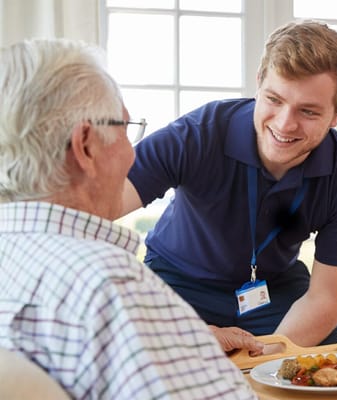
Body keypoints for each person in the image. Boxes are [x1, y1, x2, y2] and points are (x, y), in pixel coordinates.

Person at [0, 38, 259, 399]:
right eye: (125, 128)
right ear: (86, 145)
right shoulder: (107, 283)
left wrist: (174, 340)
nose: (133, 156)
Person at [122, 20, 337, 350]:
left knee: (325, 377)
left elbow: (325, 298)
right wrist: (183, 337)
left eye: (308, 111)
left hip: (274, 289)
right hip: (177, 281)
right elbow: (93, 202)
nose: (284, 124)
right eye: (274, 99)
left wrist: (268, 357)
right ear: (259, 84)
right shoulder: (198, 134)